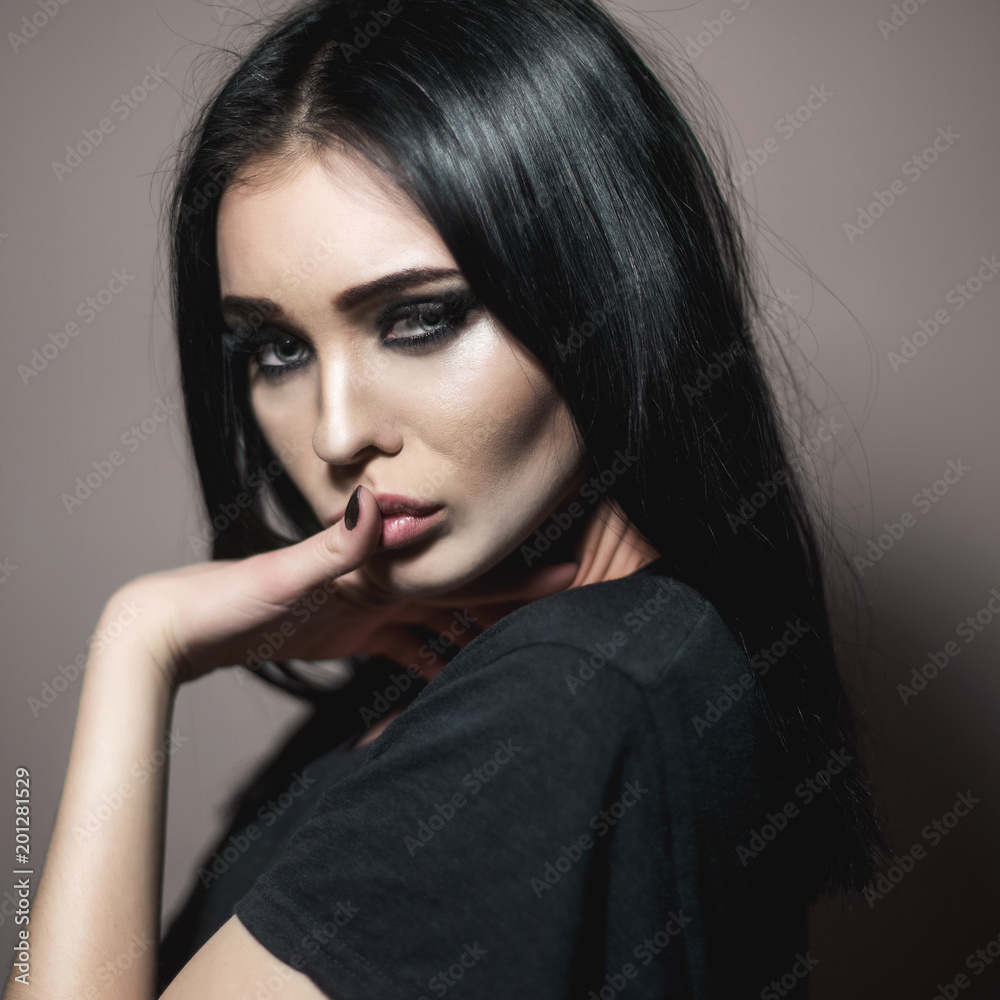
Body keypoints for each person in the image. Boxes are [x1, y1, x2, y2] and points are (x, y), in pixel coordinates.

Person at [2, 0, 886, 997]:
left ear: (604, 287)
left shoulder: (570, 693)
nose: (336, 433)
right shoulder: (451, 670)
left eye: (418, 319)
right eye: (278, 347)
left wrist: (139, 642)